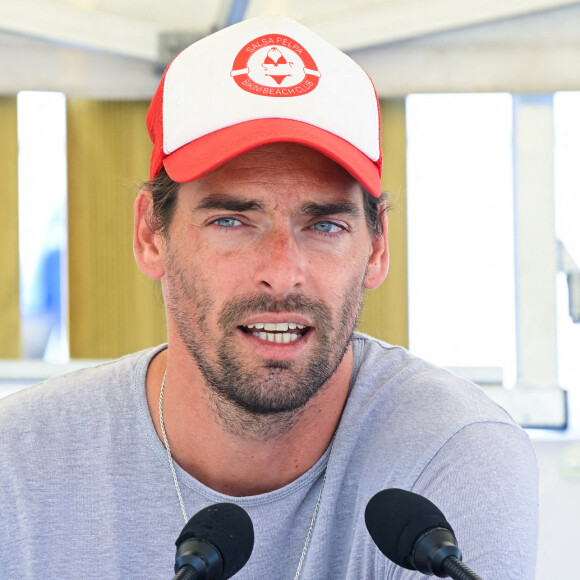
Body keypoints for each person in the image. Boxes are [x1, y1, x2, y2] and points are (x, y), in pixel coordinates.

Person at [0, 15, 537, 579]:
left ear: (377, 248)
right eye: (232, 221)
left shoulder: (452, 458)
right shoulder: (19, 469)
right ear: (149, 234)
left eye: (324, 226)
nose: (282, 275)